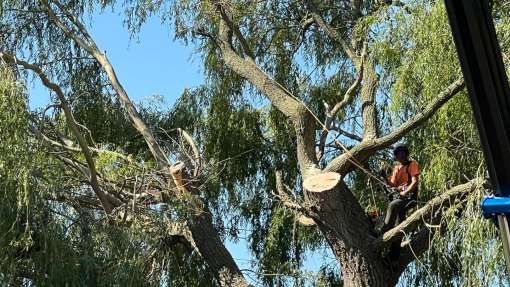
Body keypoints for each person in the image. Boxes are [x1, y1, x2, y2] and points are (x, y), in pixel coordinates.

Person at [381, 144, 420, 233]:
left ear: (406, 154)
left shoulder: (412, 164)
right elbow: (392, 185)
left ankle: (383, 232)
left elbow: (415, 182)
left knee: (393, 205)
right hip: (400, 197)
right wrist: (384, 177)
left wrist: (405, 192)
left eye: (402, 153)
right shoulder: (397, 168)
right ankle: (396, 245)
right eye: (398, 154)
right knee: (399, 220)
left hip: (410, 197)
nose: (401, 156)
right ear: (396, 157)